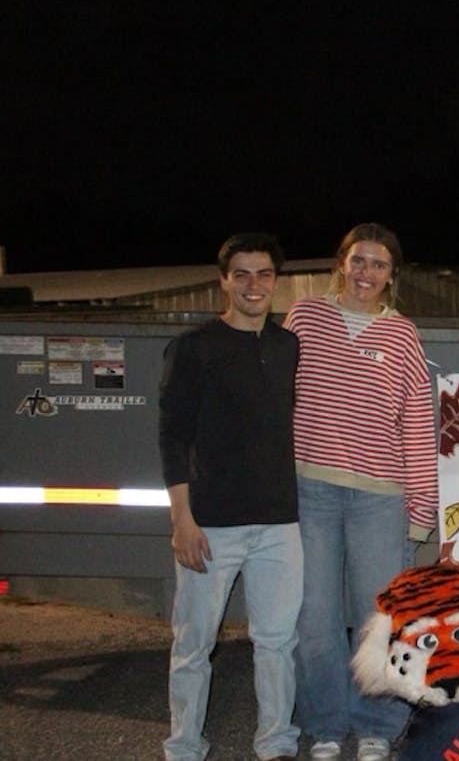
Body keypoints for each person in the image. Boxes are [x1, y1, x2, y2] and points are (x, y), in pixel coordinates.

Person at [285, 223, 439, 761]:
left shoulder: (402, 336)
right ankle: (326, 725)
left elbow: (417, 423)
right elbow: (277, 401)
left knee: (379, 621)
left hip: (379, 499)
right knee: (315, 620)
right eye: (358, 260)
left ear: (391, 275)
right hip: (310, 493)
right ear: (341, 263)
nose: (366, 272)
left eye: (378, 264)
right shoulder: (304, 318)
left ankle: (377, 725)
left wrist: (421, 510)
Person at [159, 232, 302, 761]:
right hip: (211, 525)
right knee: (193, 645)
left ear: (275, 281)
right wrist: (182, 520)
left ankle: (276, 742)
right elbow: (172, 437)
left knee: (278, 643)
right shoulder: (193, 348)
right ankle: (184, 746)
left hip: (279, 524)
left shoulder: (287, 345)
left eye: (263, 273)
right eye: (241, 274)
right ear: (223, 281)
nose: (253, 284)